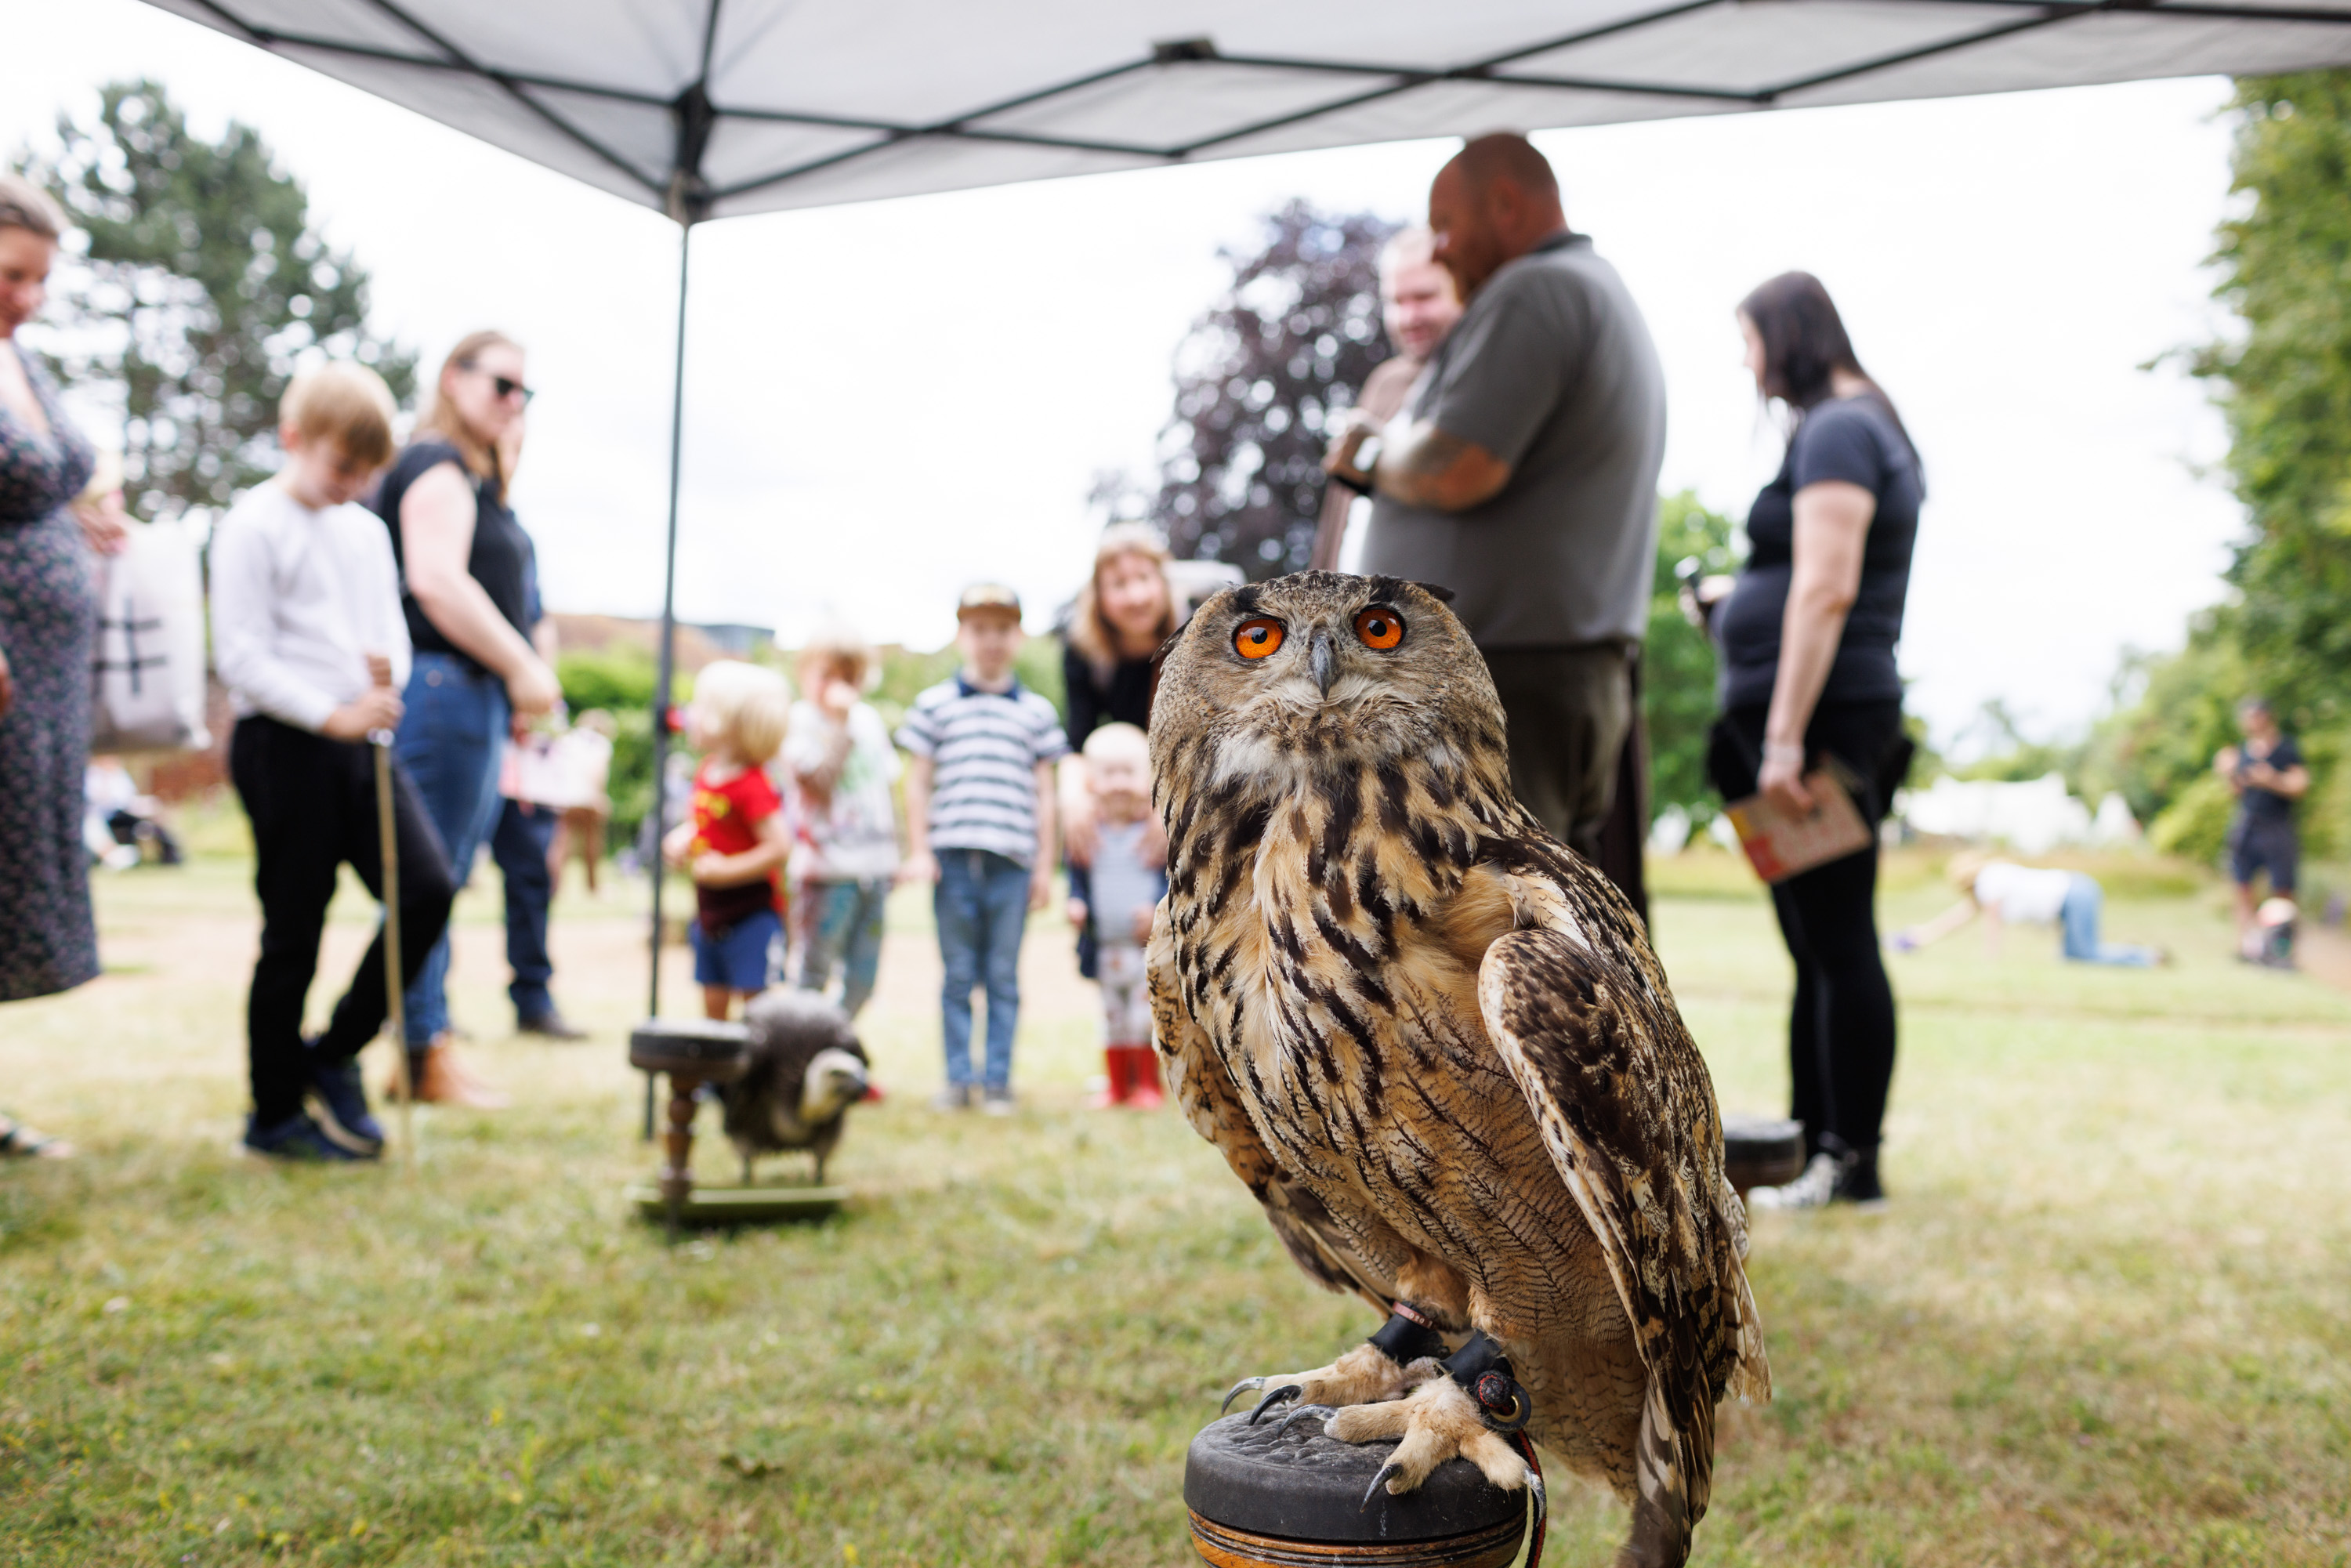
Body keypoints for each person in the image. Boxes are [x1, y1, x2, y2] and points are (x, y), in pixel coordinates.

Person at [1324, 133, 1665, 914]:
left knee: (1502, 922)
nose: (1439, 249)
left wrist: (1371, 454)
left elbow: (1457, 464)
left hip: (1512, 675)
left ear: (1506, 203)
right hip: (1545, 671)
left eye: (1445, 223)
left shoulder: (1535, 292)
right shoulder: (1584, 287)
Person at [1703, 271, 1924, 1211]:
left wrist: (1785, 739)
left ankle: (1849, 1159)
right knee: (1815, 943)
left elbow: (1827, 586)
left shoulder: (1838, 428)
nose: (1748, 364)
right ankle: (1809, 1145)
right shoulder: (1845, 426)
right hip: (1800, 715)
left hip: (1820, 724)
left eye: (1750, 343)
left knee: (1838, 940)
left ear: (1787, 337)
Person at [211, 362, 458, 1161]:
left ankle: (335, 1051)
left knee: (426, 890)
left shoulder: (365, 528)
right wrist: (332, 713)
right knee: (296, 928)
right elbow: (242, 656)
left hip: (366, 743)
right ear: (294, 440)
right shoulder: (253, 524)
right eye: (341, 468)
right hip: (287, 747)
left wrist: (385, 683)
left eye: (365, 473)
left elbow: (390, 627)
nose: (353, 485)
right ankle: (274, 1113)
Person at [371, 331, 560, 1108]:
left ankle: (427, 1043)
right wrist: (520, 664)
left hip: (470, 697)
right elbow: (436, 582)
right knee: (429, 879)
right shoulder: (435, 465)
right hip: (444, 689)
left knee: (443, 876)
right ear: (454, 378)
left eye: (526, 393)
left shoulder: (479, 483)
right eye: (502, 385)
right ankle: (421, 1051)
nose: (515, 403)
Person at [0, 173, 127, 1160]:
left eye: (40, 280)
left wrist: (77, 521)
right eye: (13, 275)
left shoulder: (20, 363)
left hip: (42, 673)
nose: (28, 298)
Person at [898, 585, 1068, 1114]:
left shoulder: (1036, 713)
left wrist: (1044, 865)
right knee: (956, 975)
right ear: (960, 636)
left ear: (1016, 637)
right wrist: (920, 849)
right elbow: (917, 783)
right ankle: (957, 1077)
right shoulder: (935, 706)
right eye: (979, 629)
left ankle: (997, 1080)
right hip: (952, 859)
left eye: (1001, 629)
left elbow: (1047, 795)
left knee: (1001, 976)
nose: (990, 640)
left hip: (1012, 865)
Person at [483, 414, 585, 1041]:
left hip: (522, 737)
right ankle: (423, 1011)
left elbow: (538, 618)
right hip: (468, 715)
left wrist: (541, 689)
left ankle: (533, 995)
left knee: (531, 871)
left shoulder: (517, 535)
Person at [1309, 226, 1463, 573]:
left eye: (1424, 297)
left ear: (1461, 290)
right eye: (1396, 301)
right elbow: (1339, 515)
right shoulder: (1385, 383)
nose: (1409, 318)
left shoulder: (1475, 387)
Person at [662, 660, 792, 1021]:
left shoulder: (753, 783)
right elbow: (708, 822)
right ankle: (716, 1074)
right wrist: (683, 837)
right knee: (713, 997)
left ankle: (757, 1075)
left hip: (750, 912)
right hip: (710, 911)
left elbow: (779, 846)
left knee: (756, 1004)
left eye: (699, 706)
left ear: (728, 722)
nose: (689, 714)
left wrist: (727, 870)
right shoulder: (708, 772)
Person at [782, 625, 900, 1019]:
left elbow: (883, 791)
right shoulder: (797, 722)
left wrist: (894, 857)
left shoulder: (869, 720)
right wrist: (838, 726)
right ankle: (800, 1056)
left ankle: (834, 1046)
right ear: (805, 673)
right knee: (812, 974)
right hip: (825, 873)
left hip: (874, 870)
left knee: (864, 978)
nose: (839, 687)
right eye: (827, 674)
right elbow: (818, 784)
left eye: (849, 677)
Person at [1057, 523, 1177, 871]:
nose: (1136, 596)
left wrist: (1173, 806)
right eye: (1119, 584)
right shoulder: (1085, 655)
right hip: (1129, 780)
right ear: (1099, 595)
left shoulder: (1200, 637)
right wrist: (1073, 800)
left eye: (1144, 578)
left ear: (1163, 581)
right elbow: (1076, 743)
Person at [1063, 723, 1166, 1109]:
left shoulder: (1156, 833)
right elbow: (1076, 876)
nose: (1120, 782)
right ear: (1090, 781)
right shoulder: (1085, 833)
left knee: (1145, 1017)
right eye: (1109, 773)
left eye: (1129, 771)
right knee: (1112, 1019)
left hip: (1145, 949)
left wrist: (1157, 908)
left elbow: (1170, 880)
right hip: (1105, 946)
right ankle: (1116, 1086)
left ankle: (1148, 1085)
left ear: (1149, 777)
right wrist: (1075, 903)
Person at [1893, 852, 2164, 968]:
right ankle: (2133, 953)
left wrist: (1991, 959)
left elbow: (1992, 923)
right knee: (2073, 956)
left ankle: (2146, 958)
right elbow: (1959, 917)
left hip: (2076, 893)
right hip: (2076, 891)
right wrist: (1921, 936)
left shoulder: (1989, 881)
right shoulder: (1991, 878)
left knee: (2085, 955)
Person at [2216, 697, 2307, 961]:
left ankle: (2284, 949)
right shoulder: (2241, 751)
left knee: (2283, 889)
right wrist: (2228, 773)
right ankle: (2247, 947)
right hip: (2247, 825)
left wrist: (2272, 780)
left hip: (2277, 826)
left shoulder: (2286, 748)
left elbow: (2300, 785)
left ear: (2266, 717)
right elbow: (2236, 793)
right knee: (2242, 887)